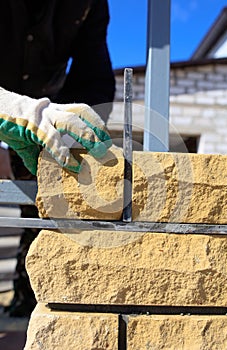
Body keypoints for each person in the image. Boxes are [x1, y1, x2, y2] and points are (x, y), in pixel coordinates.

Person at [0, 0, 115, 317]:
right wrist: (14, 111)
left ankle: (30, 296)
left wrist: (75, 140)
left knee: (41, 203)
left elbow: (95, 80)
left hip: (45, 111)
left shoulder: (88, 4)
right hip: (13, 107)